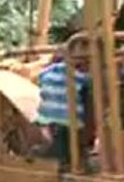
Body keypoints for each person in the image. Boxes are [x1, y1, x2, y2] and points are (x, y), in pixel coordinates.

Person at [35, 38, 94, 168]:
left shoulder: (48, 72)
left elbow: (40, 79)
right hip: (67, 119)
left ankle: (60, 155)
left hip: (45, 116)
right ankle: (66, 158)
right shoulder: (80, 76)